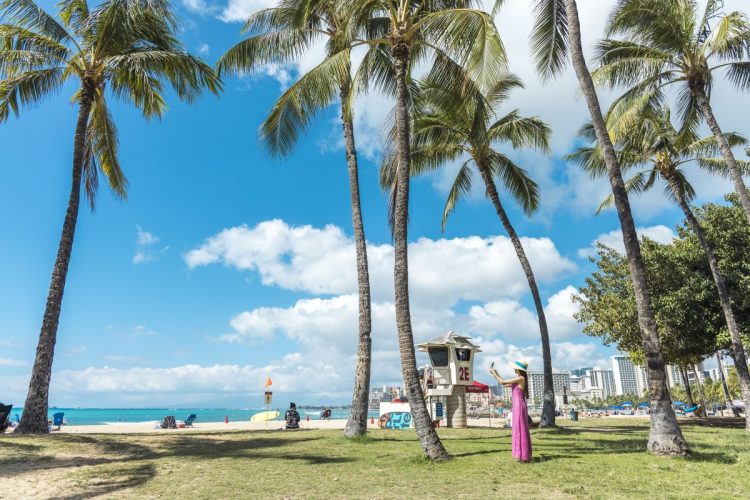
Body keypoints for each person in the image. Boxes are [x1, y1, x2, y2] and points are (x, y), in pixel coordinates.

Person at [490, 360, 532, 463]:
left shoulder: (520, 378)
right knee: (518, 429)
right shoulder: (520, 379)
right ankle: (522, 455)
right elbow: (504, 384)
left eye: (514, 367)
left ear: (518, 369)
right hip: (517, 406)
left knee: (520, 429)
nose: (513, 368)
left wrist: (494, 374)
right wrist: (497, 374)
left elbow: (503, 382)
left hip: (519, 406)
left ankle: (524, 456)